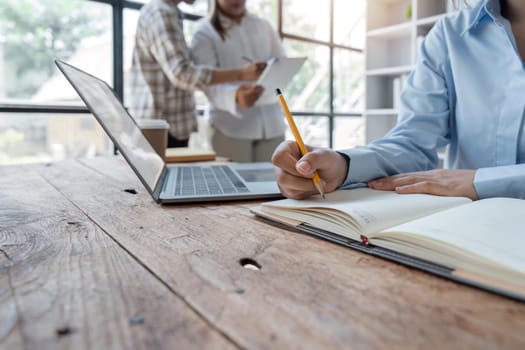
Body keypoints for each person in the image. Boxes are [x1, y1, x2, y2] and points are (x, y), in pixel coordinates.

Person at [272, 0, 525, 200]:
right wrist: (343, 165)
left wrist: (478, 181)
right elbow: (415, 143)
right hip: (466, 224)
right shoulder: (449, 35)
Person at [128, 0, 266, 148]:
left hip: (166, 126)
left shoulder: (169, 13)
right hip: (160, 128)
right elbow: (182, 74)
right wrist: (241, 74)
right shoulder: (161, 13)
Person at [190, 0, 286, 162]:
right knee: (234, 184)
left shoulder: (264, 26)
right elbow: (206, 81)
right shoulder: (204, 31)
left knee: (276, 183)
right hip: (229, 128)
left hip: (272, 124)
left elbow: (281, 64)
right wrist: (235, 95)